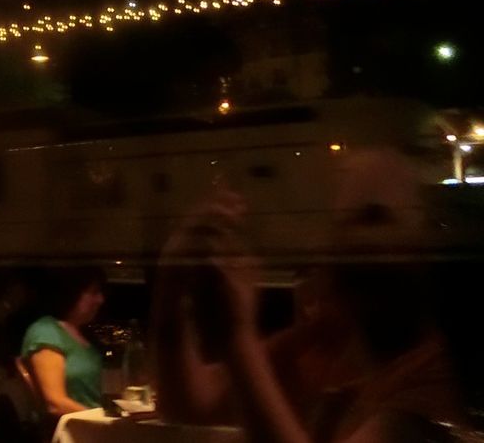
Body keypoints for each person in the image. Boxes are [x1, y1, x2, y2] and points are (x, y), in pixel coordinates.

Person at [153, 152, 462, 443]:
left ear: (422, 241)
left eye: (374, 216)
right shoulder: (328, 340)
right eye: (343, 220)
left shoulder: (433, 372)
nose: (354, 239)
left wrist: (237, 334)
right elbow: (189, 406)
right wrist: (172, 290)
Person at [20, 268, 107, 414]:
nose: (100, 300)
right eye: (93, 292)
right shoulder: (46, 331)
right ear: (72, 292)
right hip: (74, 426)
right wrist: (102, 420)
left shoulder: (83, 335)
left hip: (90, 421)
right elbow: (55, 403)